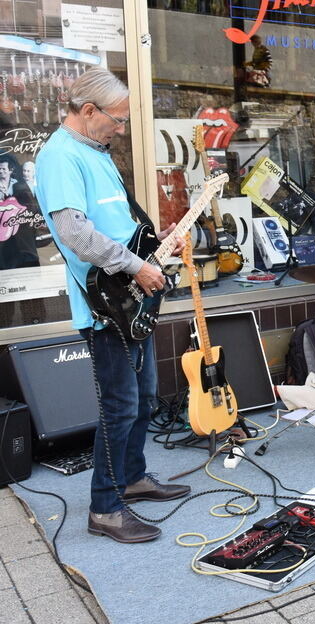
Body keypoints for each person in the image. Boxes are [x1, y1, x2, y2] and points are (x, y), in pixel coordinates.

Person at [36, 68, 190, 544]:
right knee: (119, 407)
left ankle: (133, 478)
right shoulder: (60, 157)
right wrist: (136, 267)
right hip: (104, 305)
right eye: (118, 121)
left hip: (128, 297)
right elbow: (76, 234)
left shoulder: (95, 152)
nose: (122, 130)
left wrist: (157, 243)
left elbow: (120, 227)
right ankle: (104, 507)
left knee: (142, 398)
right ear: (88, 112)